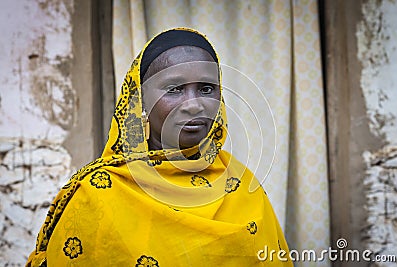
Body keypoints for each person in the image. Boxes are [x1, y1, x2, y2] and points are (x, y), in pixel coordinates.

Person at [27, 27, 292, 266]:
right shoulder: (97, 195)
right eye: (174, 89)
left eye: (207, 88)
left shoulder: (242, 185)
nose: (193, 104)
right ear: (140, 100)